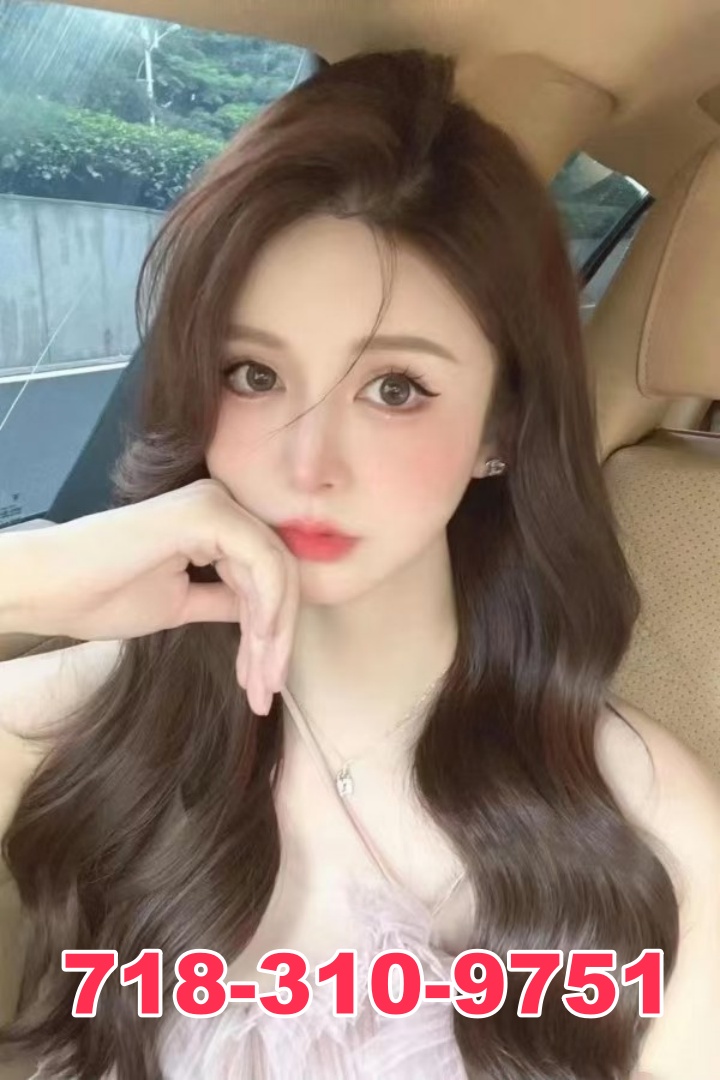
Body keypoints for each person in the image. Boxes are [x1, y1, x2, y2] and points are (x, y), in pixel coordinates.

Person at [0, 48, 717, 1080]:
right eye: (253, 374)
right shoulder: (90, 716)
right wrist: (29, 576)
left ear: (500, 427)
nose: (307, 464)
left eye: (395, 389)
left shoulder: (652, 822)